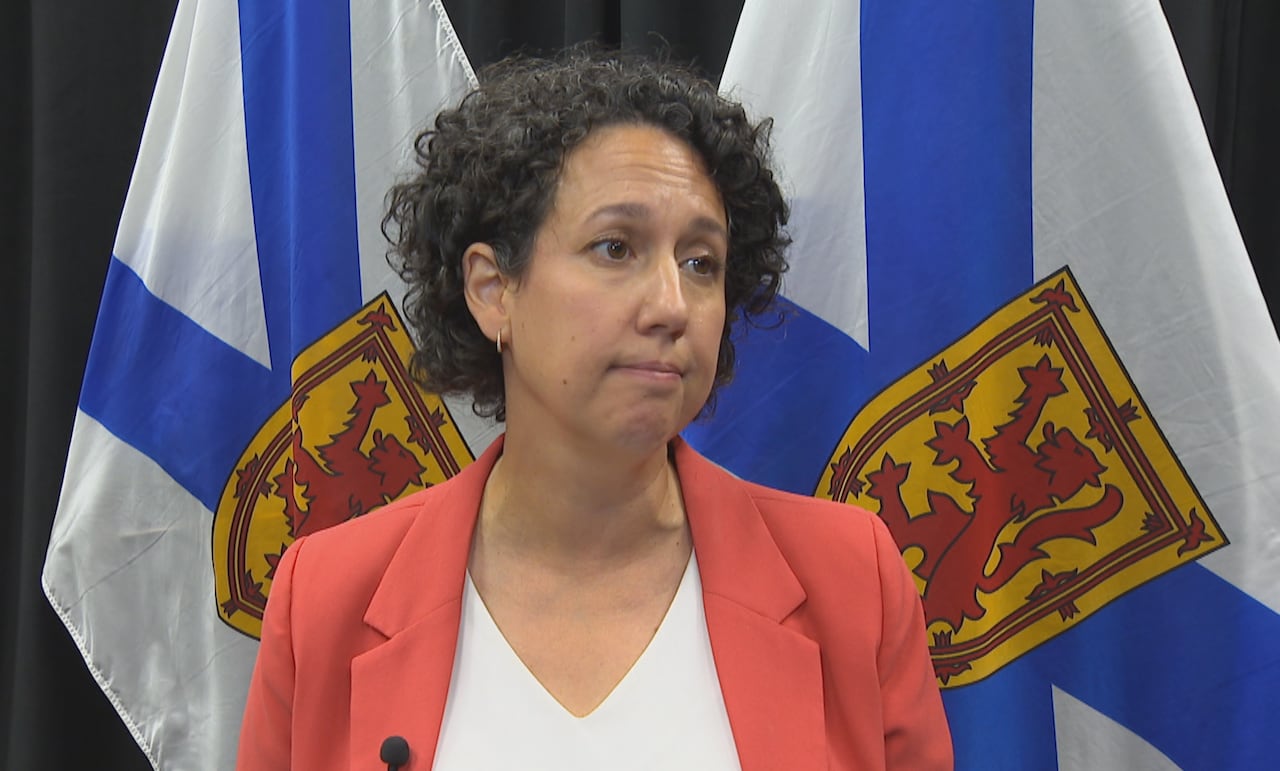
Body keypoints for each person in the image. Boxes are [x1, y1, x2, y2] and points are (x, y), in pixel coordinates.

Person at [237, 47, 952, 770]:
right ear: (493, 290)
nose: (672, 305)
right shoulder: (325, 599)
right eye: (616, 248)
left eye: (701, 261)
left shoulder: (851, 580)